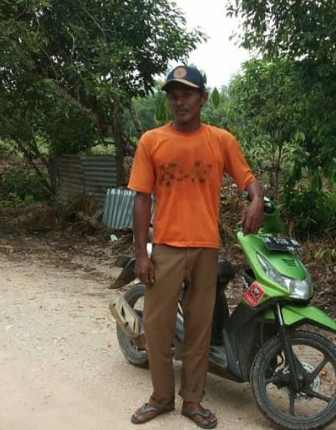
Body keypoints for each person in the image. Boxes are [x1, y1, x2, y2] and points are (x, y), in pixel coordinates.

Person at [127, 65, 263, 428]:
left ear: (203, 98)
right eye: (173, 94)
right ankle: (160, 397)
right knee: (157, 327)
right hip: (167, 247)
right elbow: (141, 199)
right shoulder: (151, 141)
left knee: (201, 328)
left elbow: (247, 178)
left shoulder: (220, 140)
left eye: (187, 93)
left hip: (205, 248)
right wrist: (142, 253)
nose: (179, 100)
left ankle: (192, 401)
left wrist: (256, 199)